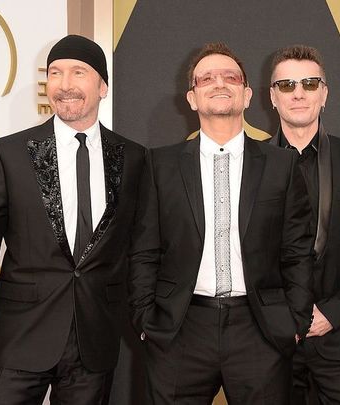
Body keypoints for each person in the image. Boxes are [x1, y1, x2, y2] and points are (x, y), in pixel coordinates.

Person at [0, 34, 147, 405]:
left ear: (103, 86)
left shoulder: (133, 157)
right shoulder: (10, 153)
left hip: (94, 342)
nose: (65, 84)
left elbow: (139, 249)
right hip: (18, 337)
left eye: (78, 72)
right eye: (54, 73)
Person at [127, 42, 314, 404]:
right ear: (192, 98)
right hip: (179, 327)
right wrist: (144, 319)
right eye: (206, 78)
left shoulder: (282, 165)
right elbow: (144, 249)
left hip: (259, 328)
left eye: (230, 77)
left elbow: (297, 250)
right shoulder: (159, 165)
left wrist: (295, 321)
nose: (219, 83)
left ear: (246, 96)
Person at [268, 45, 340, 404]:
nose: (298, 92)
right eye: (286, 85)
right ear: (272, 97)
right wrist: (284, 316)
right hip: (273, 342)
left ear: (324, 93)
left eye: (309, 82)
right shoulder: (254, 163)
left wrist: (331, 313)